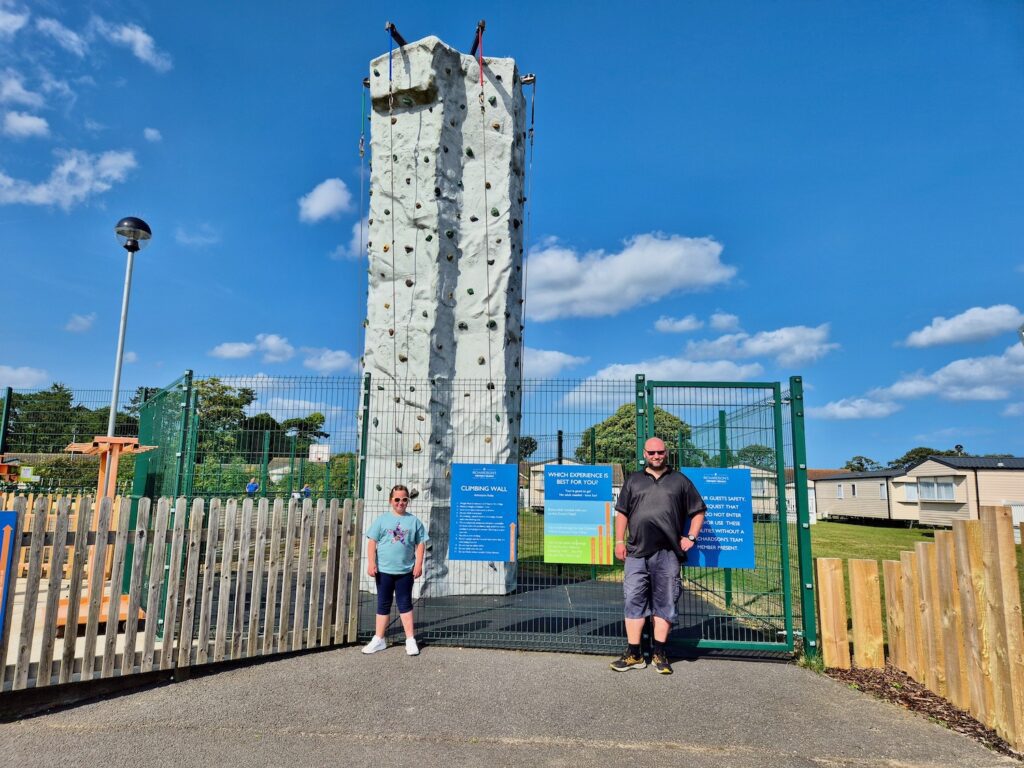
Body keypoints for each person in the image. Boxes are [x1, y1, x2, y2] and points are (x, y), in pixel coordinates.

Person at [611, 437, 706, 675]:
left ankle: (659, 654)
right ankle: (634, 654)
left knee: (666, 603)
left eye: (660, 452)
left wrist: (691, 538)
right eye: (651, 452)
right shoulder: (633, 480)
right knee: (633, 599)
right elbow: (622, 513)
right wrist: (619, 541)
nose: (656, 456)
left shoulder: (680, 481)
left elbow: (698, 512)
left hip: (668, 554)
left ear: (667, 453)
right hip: (636, 552)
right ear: (644, 453)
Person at [362, 484, 428, 656]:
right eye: (397, 499)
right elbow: (372, 542)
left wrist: (419, 564)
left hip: (405, 572)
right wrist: (371, 563)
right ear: (391, 500)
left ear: (408, 501)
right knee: (383, 603)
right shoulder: (382, 520)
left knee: (405, 604)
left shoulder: (414, 522)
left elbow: (421, 543)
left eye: (404, 499)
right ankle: (379, 639)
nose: (400, 502)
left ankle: (410, 640)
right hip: (383, 571)